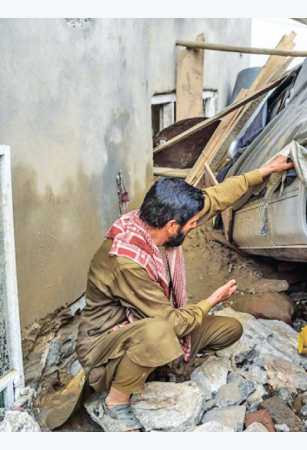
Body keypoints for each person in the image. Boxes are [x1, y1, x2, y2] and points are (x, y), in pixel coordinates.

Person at [72, 156, 293, 431]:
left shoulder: (158, 224)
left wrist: (262, 171)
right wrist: (211, 301)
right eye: (192, 223)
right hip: (105, 348)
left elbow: (215, 198)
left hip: (151, 323)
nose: (195, 225)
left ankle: (159, 367)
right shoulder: (127, 260)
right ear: (173, 226)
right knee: (159, 332)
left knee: (230, 329)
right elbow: (170, 322)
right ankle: (115, 402)